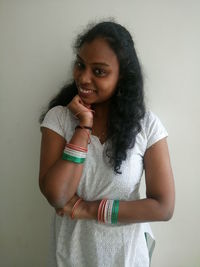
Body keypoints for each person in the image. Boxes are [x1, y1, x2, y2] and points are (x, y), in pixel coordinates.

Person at [38, 20, 175, 267]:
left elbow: (163, 207)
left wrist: (90, 210)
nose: (84, 77)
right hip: (70, 256)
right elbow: (57, 196)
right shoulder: (59, 118)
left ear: (122, 75)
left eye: (99, 71)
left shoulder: (147, 126)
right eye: (80, 65)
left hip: (127, 257)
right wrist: (83, 127)